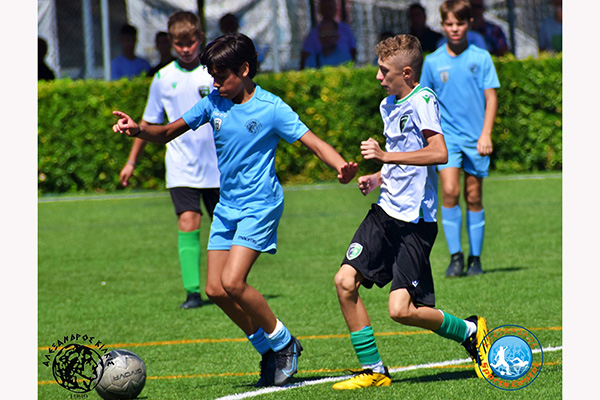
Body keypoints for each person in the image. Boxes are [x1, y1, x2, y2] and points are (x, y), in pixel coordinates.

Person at [112, 33, 358, 387]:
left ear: (244, 69)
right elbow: (166, 132)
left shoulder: (271, 107)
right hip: (228, 206)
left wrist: (341, 167)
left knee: (233, 282)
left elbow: (314, 142)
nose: (215, 84)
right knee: (215, 289)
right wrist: (139, 130)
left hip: (260, 205)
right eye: (212, 76)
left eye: (221, 76)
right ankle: (268, 350)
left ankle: (284, 342)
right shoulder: (213, 103)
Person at [331, 33, 490, 390]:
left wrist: (385, 156)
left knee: (400, 310)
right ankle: (374, 370)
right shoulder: (388, 104)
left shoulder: (423, 100)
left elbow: (438, 153)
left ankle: (469, 331)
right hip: (385, 211)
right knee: (344, 281)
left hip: (415, 221)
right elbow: (402, 156)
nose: (378, 77)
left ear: (405, 72)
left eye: (383, 70)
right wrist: (378, 176)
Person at [119, 11, 220, 310]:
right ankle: (193, 293)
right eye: (179, 44)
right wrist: (131, 162)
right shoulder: (163, 78)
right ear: (170, 43)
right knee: (188, 221)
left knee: (224, 227)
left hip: (218, 166)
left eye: (190, 43)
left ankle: (225, 286)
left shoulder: (213, 74)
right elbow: (148, 123)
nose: (185, 49)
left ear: (200, 38)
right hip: (181, 165)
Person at [420, 0, 499, 277]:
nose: (455, 29)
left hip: (476, 139)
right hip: (447, 140)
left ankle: (475, 259)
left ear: (469, 24)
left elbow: (491, 98)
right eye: (449, 24)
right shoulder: (432, 62)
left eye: (460, 23)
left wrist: (486, 134)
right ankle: (456, 257)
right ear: (442, 25)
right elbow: (424, 102)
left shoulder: (482, 57)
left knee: (474, 196)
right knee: (450, 192)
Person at [300, 0, 357, 70]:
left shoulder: (346, 31)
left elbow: (353, 54)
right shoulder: (312, 36)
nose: (327, 38)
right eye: (323, 35)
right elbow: (303, 62)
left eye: (330, 34)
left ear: (336, 36)